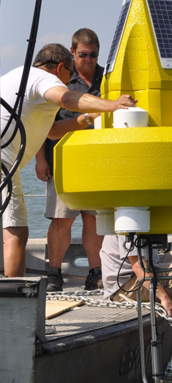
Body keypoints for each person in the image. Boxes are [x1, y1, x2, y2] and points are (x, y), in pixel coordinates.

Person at [0, 43, 137, 278]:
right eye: (68, 74)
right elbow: (67, 98)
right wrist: (112, 105)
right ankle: (17, 305)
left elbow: (52, 130)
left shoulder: (17, 76)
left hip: (7, 165)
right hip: (3, 163)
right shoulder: (43, 78)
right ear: (60, 67)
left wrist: (87, 117)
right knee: (15, 233)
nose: (67, 80)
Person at [35, 29, 104, 292]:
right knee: (61, 218)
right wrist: (41, 160)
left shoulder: (107, 78)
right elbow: (43, 122)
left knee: (93, 218)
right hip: (62, 161)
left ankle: (95, 272)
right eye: (83, 54)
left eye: (94, 54)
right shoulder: (59, 80)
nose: (89, 59)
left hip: (98, 164)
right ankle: (54, 273)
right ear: (72, 52)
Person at [100, 235, 172, 318]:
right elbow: (139, 268)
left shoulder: (139, 213)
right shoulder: (131, 220)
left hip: (136, 274)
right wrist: (164, 297)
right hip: (125, 288)